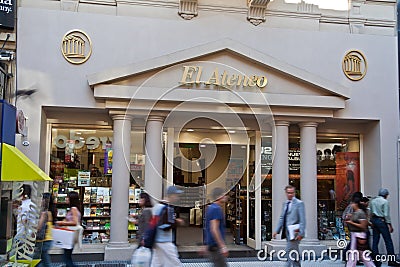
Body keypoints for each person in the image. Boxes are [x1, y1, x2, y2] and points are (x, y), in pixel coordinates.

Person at [272, 185, 305, 267]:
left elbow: (302, 219)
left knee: (288, 251)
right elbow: (282, 217)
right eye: (288, 193)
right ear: (286, 193)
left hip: (295, 233)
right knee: (294, 252)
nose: (290, 194)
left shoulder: (299, 203)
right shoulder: (285, 204)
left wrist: (301, 233)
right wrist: (277, 230)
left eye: (292, 193)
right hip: (286, 232)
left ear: (294, 193)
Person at [151, 186, 184, 267]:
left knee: (156, 263)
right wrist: (177, 221)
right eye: (176, 195)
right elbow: (169, 223)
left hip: (157, 240)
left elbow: (153, 222)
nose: (177, 197)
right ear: (171, 195)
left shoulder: (158, 206)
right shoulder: (168, 207)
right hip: (165, 241)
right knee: (175, 263)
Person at [344, 196, 375, 267]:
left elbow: (363, 226)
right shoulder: (356, 213)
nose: (351, 205)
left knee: (361, 254)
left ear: (356, 204)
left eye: (352, 203)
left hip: (359, 235)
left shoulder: (360, 213)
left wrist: (351, 222)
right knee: (355, 254)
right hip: (355, 234)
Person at [370, 189, 396, 267]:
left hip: (374, 220)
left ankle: (376, 261)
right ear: (385, 195)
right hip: (381, 221)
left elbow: (371, 212)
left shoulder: (373, 201)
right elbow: (386, 215)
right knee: (388, 241)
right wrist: (390, 225)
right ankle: (391, 260)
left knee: (375, 241)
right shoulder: (385, 202)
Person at [56, 191, 81, 267]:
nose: (66, 199)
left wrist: (62, 223)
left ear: (71, 199)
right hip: (69, 234)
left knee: (67, 257)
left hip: (70, 235)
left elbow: (75, 222)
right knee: (67, 257)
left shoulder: (73, 209)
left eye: (67, 197)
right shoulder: (73, 209)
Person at [205, 187, 229, 267]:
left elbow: (208, 227)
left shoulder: (210, 208)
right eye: (224, 195)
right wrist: (222, 246)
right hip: (216, 246)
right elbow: (214, 229)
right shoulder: (217, 209)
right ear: (219, 197)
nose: (226, 197)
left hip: (212, 245)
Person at [34, 192, 56, 267]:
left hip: (44, 240)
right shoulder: (50, 212)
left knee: (41, 261)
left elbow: (39, 226)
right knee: (42, 261)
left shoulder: (45, 213)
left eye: (42, 198)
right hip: (47, 239)